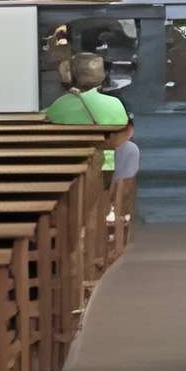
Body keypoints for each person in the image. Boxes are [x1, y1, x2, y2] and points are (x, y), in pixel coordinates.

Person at [44, 51, 136, 235]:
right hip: (102, 166)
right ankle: (115, 207)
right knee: (130, 149)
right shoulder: (113, 103)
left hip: (61, 168)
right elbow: (124, 134)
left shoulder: (58, 106)